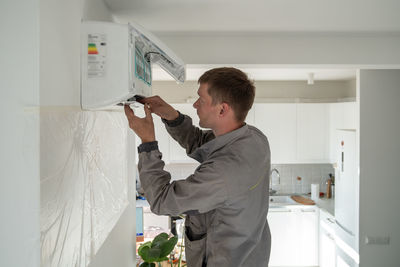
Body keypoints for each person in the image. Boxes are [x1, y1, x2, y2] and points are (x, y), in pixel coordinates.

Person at [124, 67, 271, 267]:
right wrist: (173, 117)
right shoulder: (254, 138)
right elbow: (201, 143)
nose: (194, 104)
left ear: (222, 109)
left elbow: (162, 200)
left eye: (201, 100)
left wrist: (148, 142)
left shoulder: (224, 173)